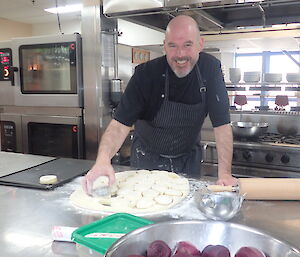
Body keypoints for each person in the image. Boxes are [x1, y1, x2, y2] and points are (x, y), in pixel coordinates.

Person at [82, 15, 237, 195]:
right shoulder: (145, 75)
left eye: (187, 45)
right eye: (173, 46)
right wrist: (102, 160)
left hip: (188, 160)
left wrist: (225, 173)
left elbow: (222, 125)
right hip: (146, 160)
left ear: (200, 44)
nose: (180, 55)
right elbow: (119, 125)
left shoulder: (210, 69)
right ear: (164, 46)